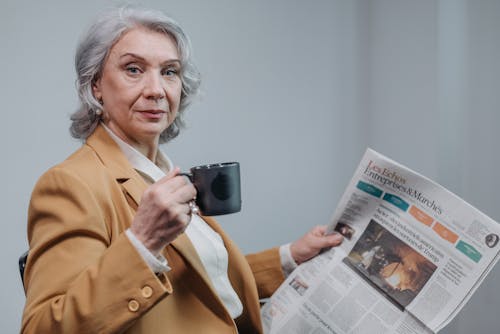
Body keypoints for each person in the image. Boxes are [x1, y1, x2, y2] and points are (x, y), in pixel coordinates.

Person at [20, 6, 343, 334]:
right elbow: (42, 327)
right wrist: (142, 243)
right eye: (134, 69)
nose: (156, 90)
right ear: (95, 86)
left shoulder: (161, 174)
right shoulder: (71, 184)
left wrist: (289, 259)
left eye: (169, 72)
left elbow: (197, 284)